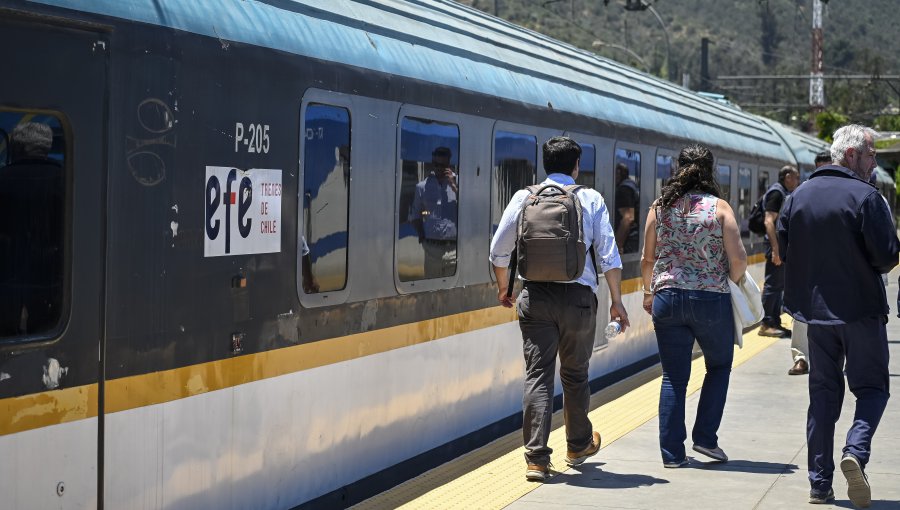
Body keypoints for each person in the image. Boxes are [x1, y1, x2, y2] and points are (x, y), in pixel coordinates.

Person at [489, 136, 629, 482]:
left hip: (535, 297)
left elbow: (498, 250)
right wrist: (616, 301)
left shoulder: (525, 197)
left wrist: (503, 287)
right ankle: (578, 444)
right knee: (575, 374)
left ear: (545, 164)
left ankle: (536, 459)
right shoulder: (590, 198)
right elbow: (609, 256)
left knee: (537, 375)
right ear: (576, 165)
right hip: (578, 300)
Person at [778, 124, 899, 507]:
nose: (874, 161)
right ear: (850, 155)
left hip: (816, 318)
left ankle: (819, 484)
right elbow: (887, 257)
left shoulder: (797, 197)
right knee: (873, 389)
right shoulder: (867, 197)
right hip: (861, 313)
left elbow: (785, 247)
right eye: (870, 154)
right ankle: (855, 451)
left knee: (823, 398)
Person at [640, 144, 747, 468]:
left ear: (679, 168)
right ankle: (705, 440)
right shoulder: (720, 209)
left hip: (667, 297)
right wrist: (725, 278)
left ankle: (672, 455)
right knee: (718, 366)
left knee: (673, 377)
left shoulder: (660, 207)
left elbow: (648, 259)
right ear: (709, 171)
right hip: (710, 299)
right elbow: (739, 260)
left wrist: (648, 292)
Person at [0, 122, 64, 337]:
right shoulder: (64, 179)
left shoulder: (3, 178)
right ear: (46, 147)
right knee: (44, 329)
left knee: (7, 332)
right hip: (50, 274)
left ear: (17, 147)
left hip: (7, 274)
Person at [758, 165, 800, 342]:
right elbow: (769, 222)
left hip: (780, 247)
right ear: (787, 176)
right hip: (774, 246)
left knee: (778, 286)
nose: (798, 180)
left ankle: (774, 321)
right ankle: (767, 323)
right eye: (796, 177)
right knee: (772, 285)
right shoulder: (777, 194)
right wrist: (776, 250)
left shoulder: (783, 192)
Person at [410, 147, 458, 278]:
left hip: (454, 250)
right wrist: (422, 236)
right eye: (436, 165)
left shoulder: (459, 184)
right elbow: (415, 215)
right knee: (432, 291)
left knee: (453, 292)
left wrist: (454, 187)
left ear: (448, 165)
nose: (439, 168)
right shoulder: (422, 187)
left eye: (443, 165)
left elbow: (469, 209)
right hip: (431, 249)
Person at [614, 163, 639, 254]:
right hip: (632, 238)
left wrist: (617, 245)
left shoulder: (624, 189)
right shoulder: (632, 186)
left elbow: (628, 218)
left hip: (629, 240)